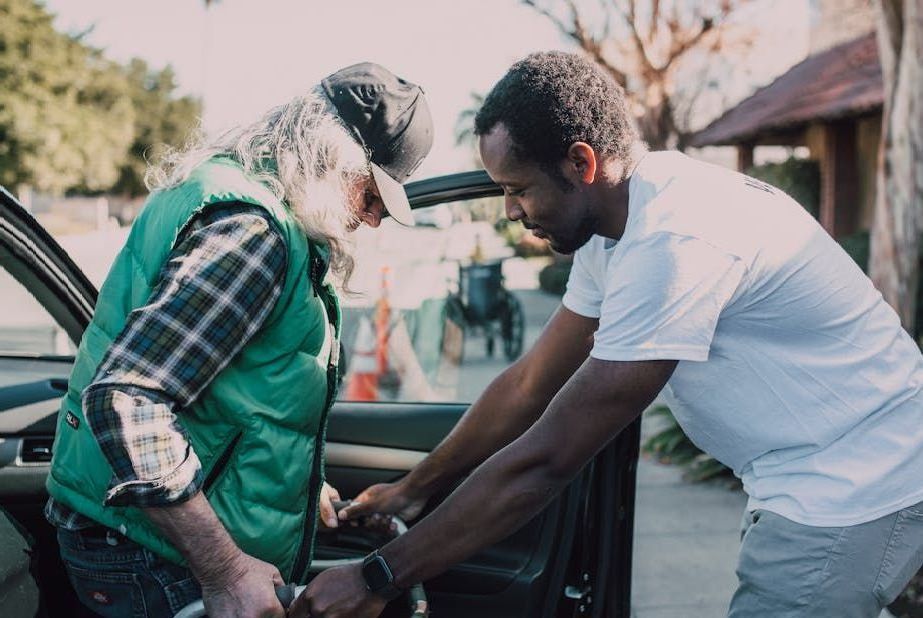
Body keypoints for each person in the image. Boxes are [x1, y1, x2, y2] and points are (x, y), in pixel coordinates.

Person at [292, 51, 923, 618]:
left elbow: (548, 459)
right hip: (814, 473)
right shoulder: (619, 228)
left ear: (581, 162)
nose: (510, 210)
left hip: (853, 483)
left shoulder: (676, 238)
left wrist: (377, 577)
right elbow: (529, 384)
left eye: (517, 190)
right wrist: (413, 488)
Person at [44, 62, 433, 618]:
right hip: (154, 556)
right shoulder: (251, 234)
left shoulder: (220, 190)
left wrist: (291, 485)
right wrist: (225, 571)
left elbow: (226, 387)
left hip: (133, 535)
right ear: (331, 157)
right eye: (370, 192)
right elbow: (130, 401)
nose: (372, 218)